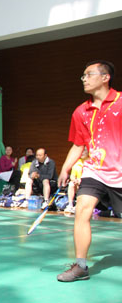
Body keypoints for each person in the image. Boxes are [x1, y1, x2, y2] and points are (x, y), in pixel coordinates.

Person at [56, 60, 121, 282]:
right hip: (95, 171)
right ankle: (81, 266)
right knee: (82, 209)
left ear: (105, 77)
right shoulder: (81, 112)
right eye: (83, 76)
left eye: (89, 74)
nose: (84, 79)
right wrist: (65, 168)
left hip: (120, 173)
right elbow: (78, 145)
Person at [64, 147, 89, 214]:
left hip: (87, 183)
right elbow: (72, 175)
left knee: (80, 185)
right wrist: (74, 180)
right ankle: (70, 205)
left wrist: (81, 180)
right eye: (81, 151)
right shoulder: (77, 162)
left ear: (88, 152)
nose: (82, 153)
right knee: (71, 184)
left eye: (84, 151)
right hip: (77, 182)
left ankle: (78, 205)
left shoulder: (90, 162)